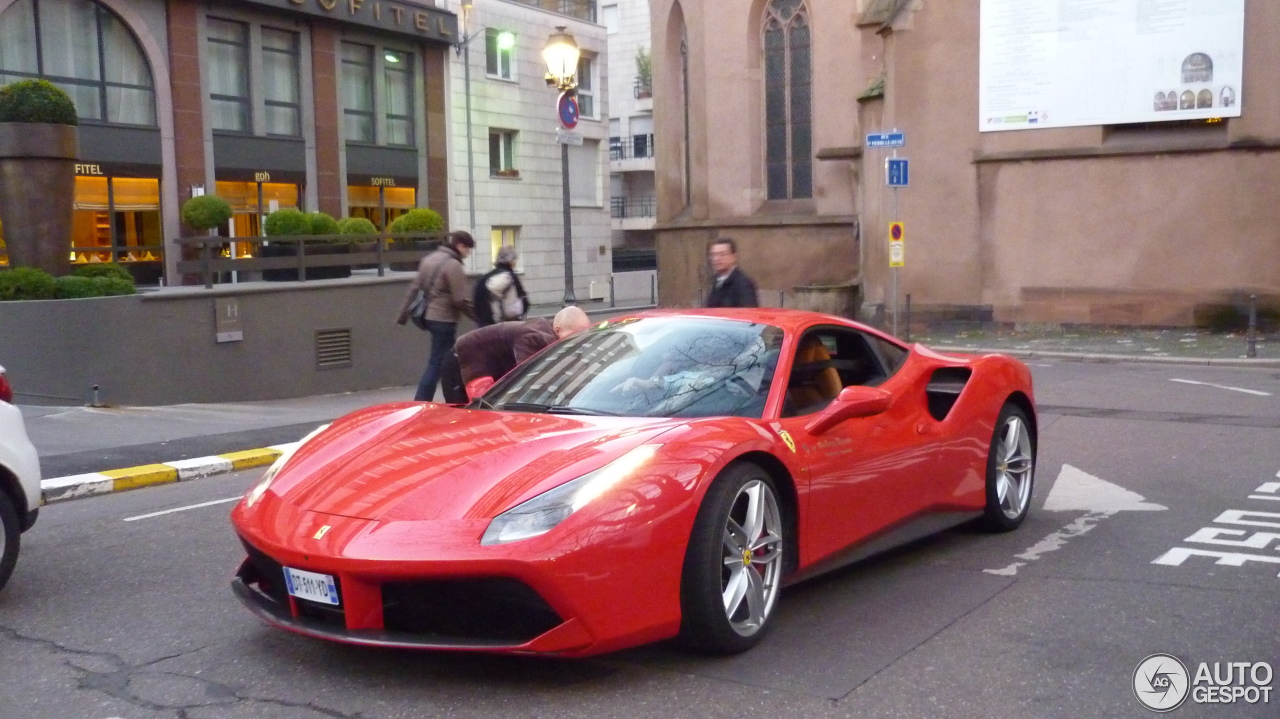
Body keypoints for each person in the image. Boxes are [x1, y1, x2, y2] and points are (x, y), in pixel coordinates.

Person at [439, 306, 592, 403]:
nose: (578, 341)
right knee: (465, 418)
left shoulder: (546, 336)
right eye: (575, 335)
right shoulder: (533, 337)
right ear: (558, 330)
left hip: (479, 366)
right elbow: (527, 378)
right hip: (459, 364)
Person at [396, 231, 476, 401]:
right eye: (468, 250)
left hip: (429, 317)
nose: (468, 254)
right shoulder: (453, 265)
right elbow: (459, 299)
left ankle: (456, 398)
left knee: (446, 361)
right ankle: (423, 401)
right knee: (438, 364)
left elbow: (414, 288)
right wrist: (476, 316)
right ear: (460, 245)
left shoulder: (429, 259)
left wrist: (402, 315)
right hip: (444, 319)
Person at [473, 245, 529, 327]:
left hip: (484, 326)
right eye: (514, 260)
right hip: (505, 327)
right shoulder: (511, 277)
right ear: (511, 261)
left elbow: (476, 302)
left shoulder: (484, 278)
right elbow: (523, 302)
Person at [705, 238, 758, 308]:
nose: (716, 259)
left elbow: (748, 312)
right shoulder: (715, 281)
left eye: (722, 254)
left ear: (734, 257)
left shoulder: (743, 284)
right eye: (713, 255)